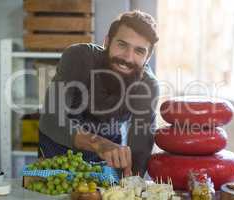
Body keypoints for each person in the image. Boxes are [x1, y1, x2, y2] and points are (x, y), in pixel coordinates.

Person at [39, 10, 159, 177]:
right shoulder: (78, 57)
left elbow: (140, 147)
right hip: (58, 149)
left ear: (147, 57)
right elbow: (50, 119)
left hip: (106, 158)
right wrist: (98, 143)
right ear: (107, 42)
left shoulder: (147, 85)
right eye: (122, 45)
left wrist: (131, 186)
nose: (128, 57)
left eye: (139, 51)